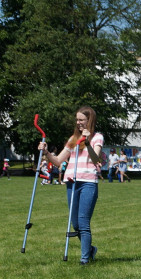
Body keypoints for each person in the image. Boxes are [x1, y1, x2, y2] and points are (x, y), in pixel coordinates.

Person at [39, 105, 103, 265]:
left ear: (90, 121)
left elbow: (96, 160)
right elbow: (58, 161)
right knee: (75, 223)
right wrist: (46, 153)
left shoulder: (97, 138)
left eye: (82, 120)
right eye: (77, 120)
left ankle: (84, 259)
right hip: (72, 183)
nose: (78, 123)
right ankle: (90, 249)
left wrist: (87, 142)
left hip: (88, 182)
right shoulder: (73, 139)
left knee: (83, 222)